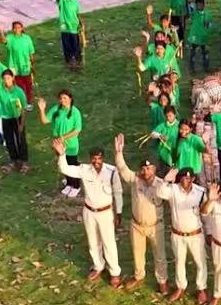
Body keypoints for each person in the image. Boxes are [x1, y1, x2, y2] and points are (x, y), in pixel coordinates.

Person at [55, 139, 122, 287]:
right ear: (90, 158)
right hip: (89, 211)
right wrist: (62, 155)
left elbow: (118, 192)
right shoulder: (84, 169)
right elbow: (65, 169)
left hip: (106, 212)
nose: (96, 161)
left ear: (103, 158)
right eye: (94, 158)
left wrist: (119, 213)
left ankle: (115, 272)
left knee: (108, 242)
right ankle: (98, 266)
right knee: (93, 241)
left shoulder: (111, 171)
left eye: (99, 158)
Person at [111, 134, 168, 293]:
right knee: (137, 253)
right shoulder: (135, 179)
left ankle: (162, 280)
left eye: (148, 168)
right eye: (143, 168)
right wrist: (118, 153)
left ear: (154, 169)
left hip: (155, 226)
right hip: (137, 225)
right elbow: (123, 169)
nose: (145, 171)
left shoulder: (161, 184)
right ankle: (139, 275)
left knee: (160, 256)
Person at [157, 167, 209, 304]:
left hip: (195, 234)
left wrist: (209, 232)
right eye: (183, 178)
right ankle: (181, 287)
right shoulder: (173, 189)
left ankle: (201, 288)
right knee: (179, 261)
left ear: (193, 178)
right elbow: (160, 193)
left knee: (200, 262)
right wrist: (166, 179)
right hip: (177, 234)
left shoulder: (201, 192)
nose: (185, 181)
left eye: (188, 178)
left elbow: (206, 214)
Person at [37, 90, 83, 196]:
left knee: (72, 164)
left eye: (65, 98)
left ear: (70, 99)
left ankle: (76, 186)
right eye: (61, 98)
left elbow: (77, 129)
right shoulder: (56, 109)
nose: (62, 100)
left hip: (71, 144)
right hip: (58, 144)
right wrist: (42, 110)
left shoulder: (75, 112)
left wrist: (64, 137)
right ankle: (68, 182)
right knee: (62, 163)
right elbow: (45, 121)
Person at [0, 70, 28, 174]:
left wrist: (22, 124)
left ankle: (24, 161)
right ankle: (14, 160)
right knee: (9, 140)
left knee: (21, 140)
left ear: (13, 78)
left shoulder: (18, 91)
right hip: (6, 118)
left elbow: (24, 108)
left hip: (17, 118)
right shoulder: (0, 91)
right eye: (5, 78)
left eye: (8, 78)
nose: (7, 80)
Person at [0, 22, 35, 105]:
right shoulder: (10, 38)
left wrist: (32, 64)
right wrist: (1, 31)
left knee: (28, 86)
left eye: (19, 27)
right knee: (19, 86)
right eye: (15, 28)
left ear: (22, 28)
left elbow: (31, 52)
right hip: (14, 67)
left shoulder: (27, 38)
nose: (17, 29)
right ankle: (21, 102)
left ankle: (29, 102)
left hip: (26, 66)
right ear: (13, 29)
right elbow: (3, 40)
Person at [55, 0, 84, 69]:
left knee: (75, 43)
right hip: (65, 27)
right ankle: (69, 60)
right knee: (67, 45)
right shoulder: (63, 0)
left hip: (74, 26)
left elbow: (77, 13)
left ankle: (77, 59)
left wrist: (81, 23)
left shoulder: (75, 1)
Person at [185, 0, 212, 73]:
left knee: (205, 53)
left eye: (201, 5)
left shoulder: (207, 14)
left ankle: (206, 67)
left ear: (204, 5)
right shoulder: (194, 13)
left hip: (203, 37)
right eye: (197, 5)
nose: (199, 6)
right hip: (194, 37)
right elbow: (190, 6)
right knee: (192, 54)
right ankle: (192, 68)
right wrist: (189, 2)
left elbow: (210, 25)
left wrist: (208, 24)